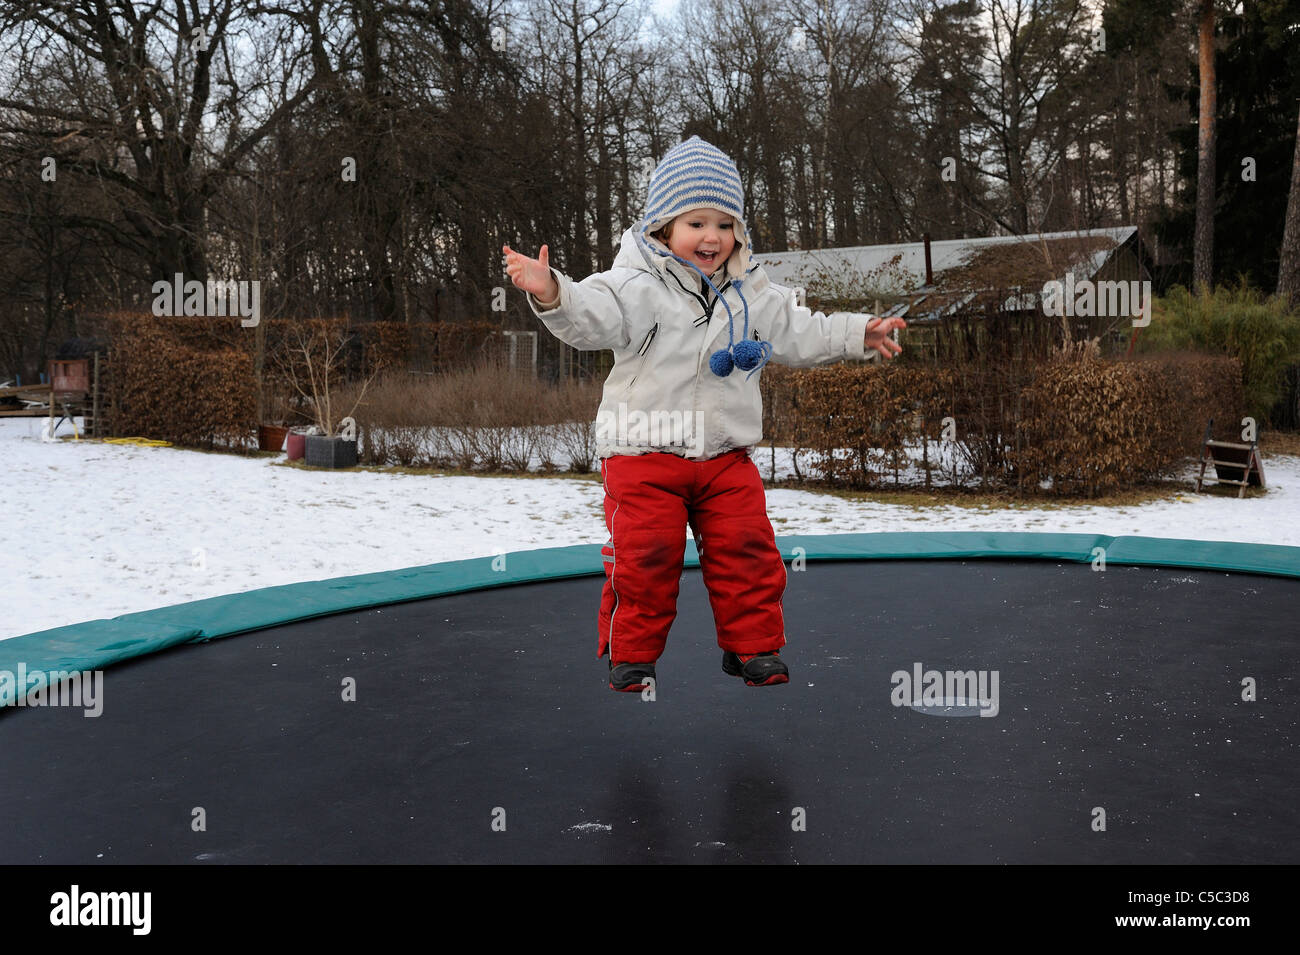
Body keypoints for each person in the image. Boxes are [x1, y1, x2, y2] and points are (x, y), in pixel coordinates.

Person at [504, 135, 905, 692]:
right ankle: (633, 652)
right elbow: (588, 317)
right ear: (664, 228)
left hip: (723, 454)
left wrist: (860, 331)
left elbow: (801, 331)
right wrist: (551, 291)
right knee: (647, 555)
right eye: (696, 223)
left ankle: (753, 648)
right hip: (644, 452)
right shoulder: (634, 287)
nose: (712, 237)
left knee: (748, 547)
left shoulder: (753, 293)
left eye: (724, 223)